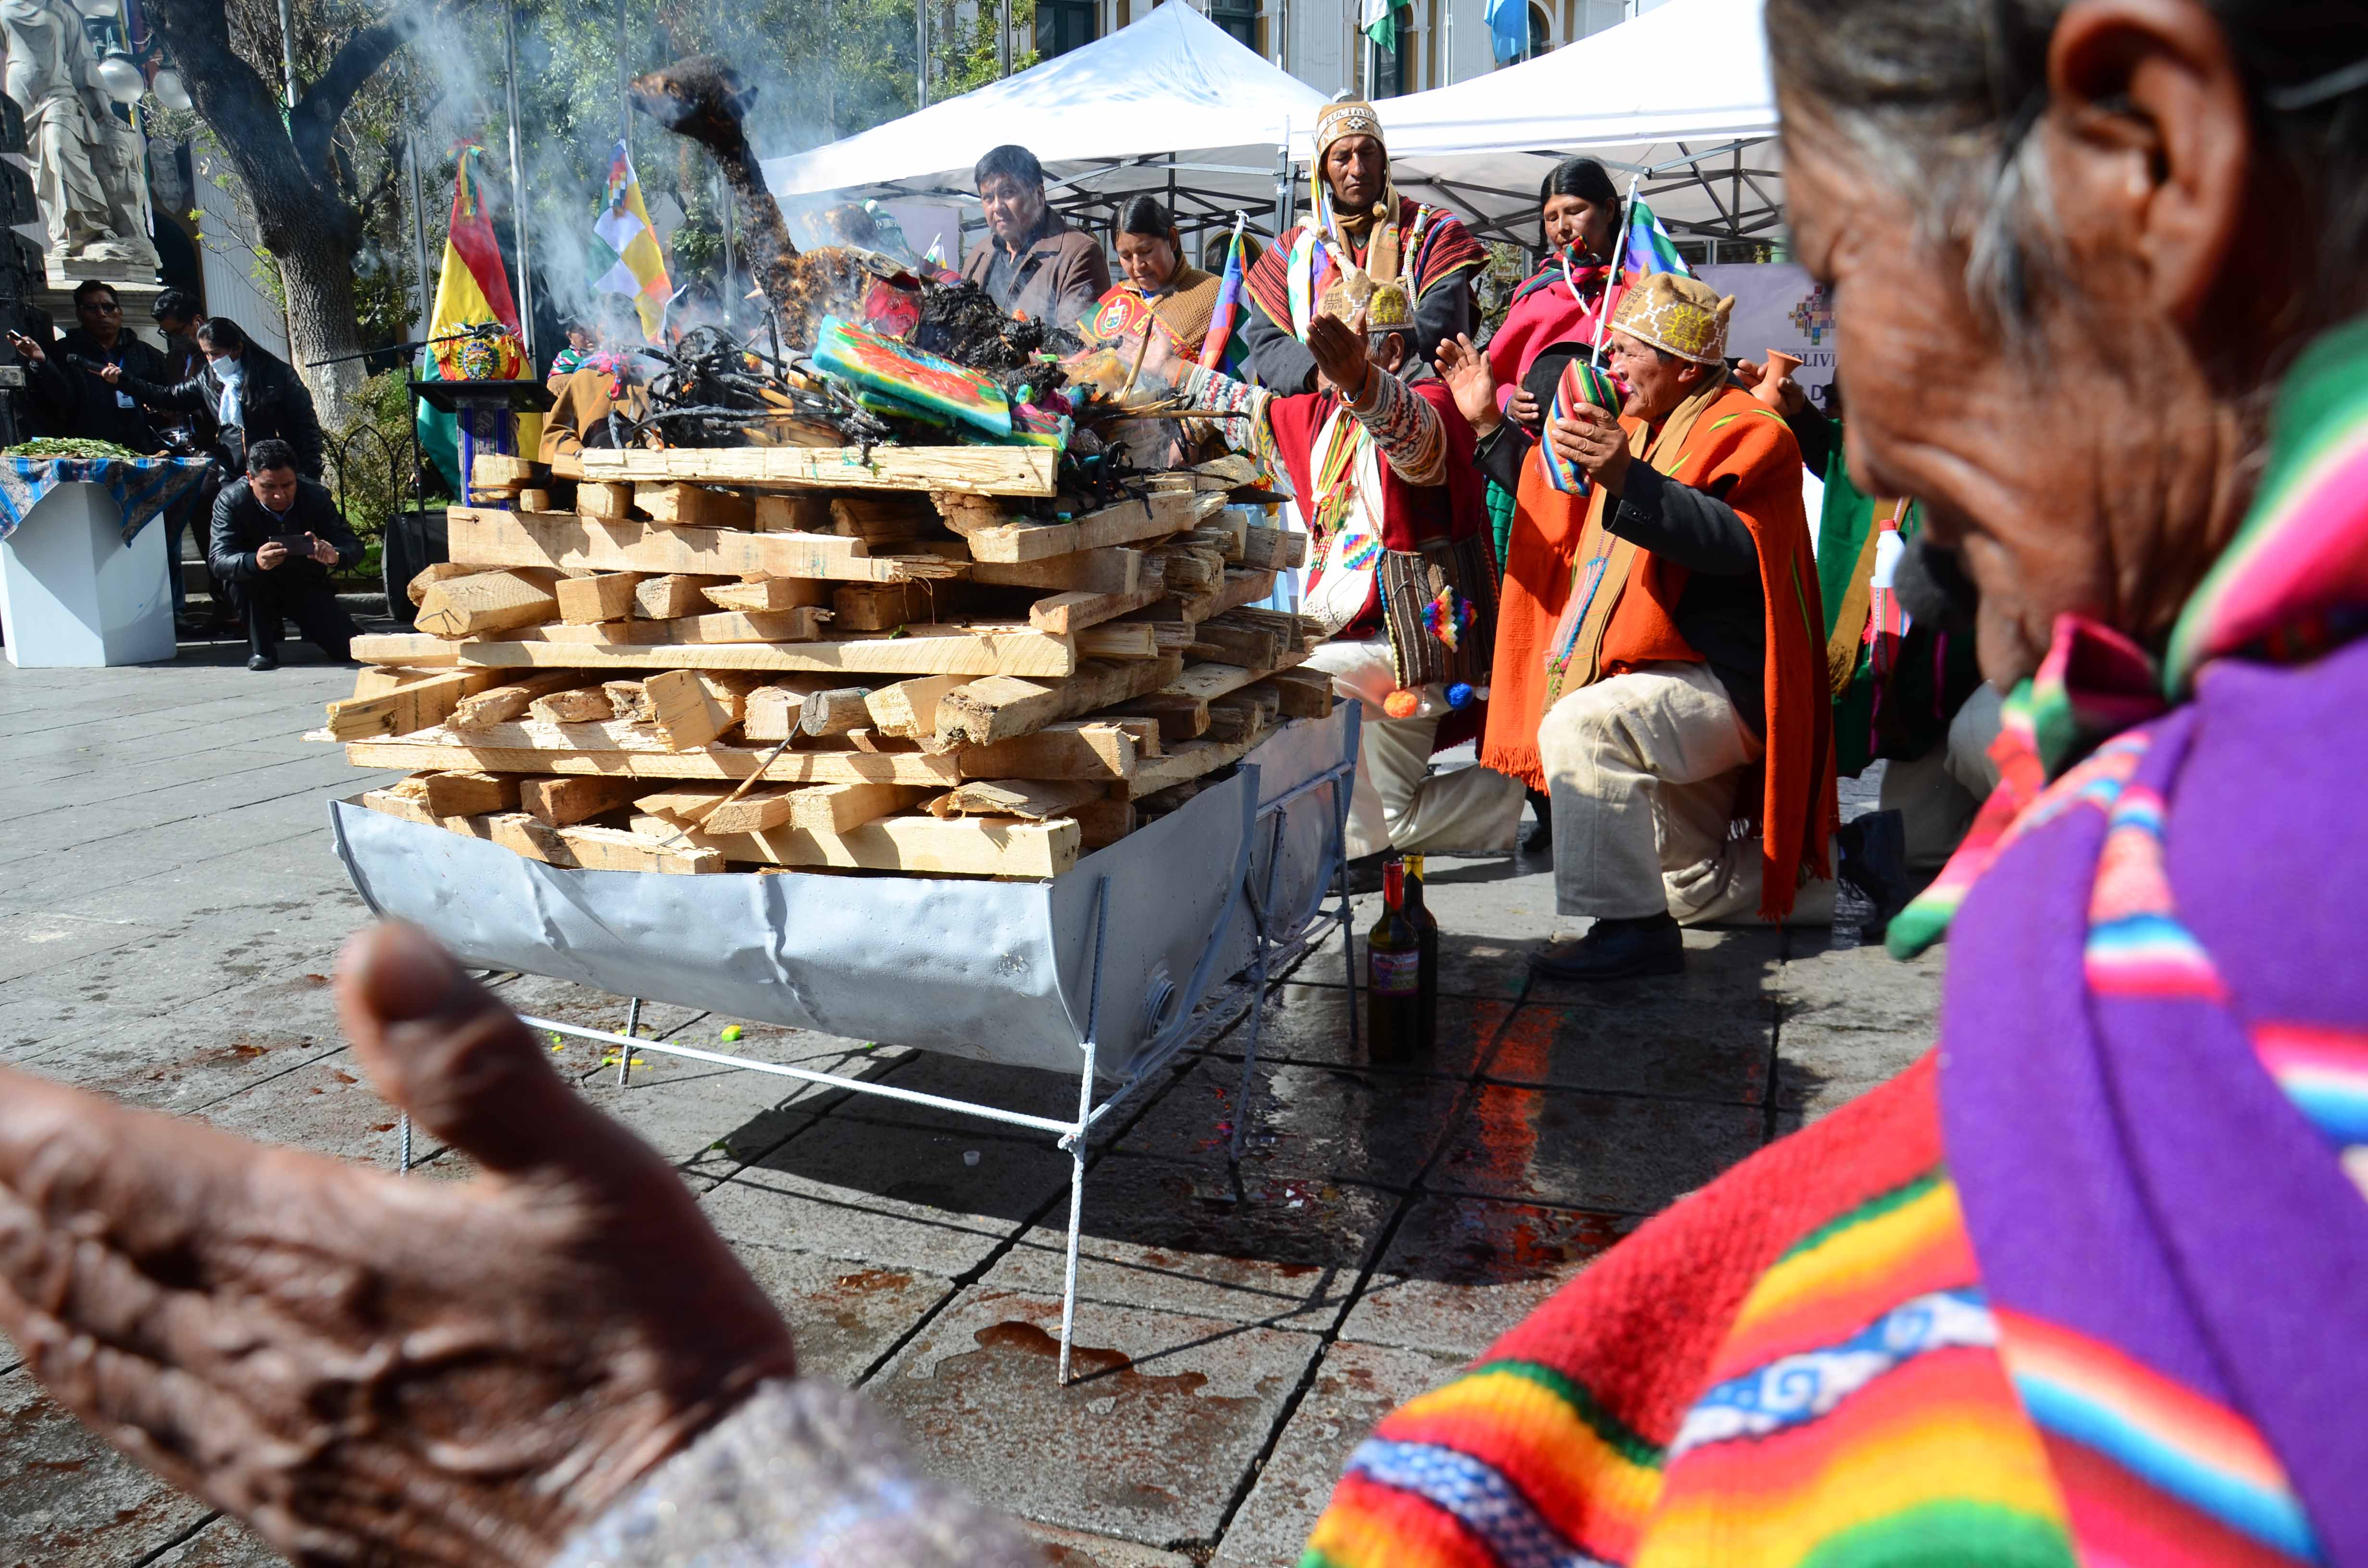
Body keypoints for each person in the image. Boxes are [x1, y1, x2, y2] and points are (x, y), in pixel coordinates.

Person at [4, 9, 2366, 1565]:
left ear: (2143, 156)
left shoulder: (2228, 983)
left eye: (1833, 267)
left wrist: (695, 1489)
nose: (1824, 360)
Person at [1505, 271, 1836, 980]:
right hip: (1664, 674)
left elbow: (1733, 545)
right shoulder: (1641, 429)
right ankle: (1849, 865)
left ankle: (1630, 934)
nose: (1612, 366)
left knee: (1582, 727)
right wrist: (1480, 429)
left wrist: (1631, 480)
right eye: (1614, 351)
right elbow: (1556, 499)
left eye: (1628, 352)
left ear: (1686, 367)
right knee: (1688, 889)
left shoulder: (1756, 431)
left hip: (1730, 685)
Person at [1179, 282, 1521, 867]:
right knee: (1396, 815)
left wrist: (1362, 383)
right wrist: (1165, 371)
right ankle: (1514, 792)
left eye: (1340, 352)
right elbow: (1247, 412)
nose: (1322, 371)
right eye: (1321, 355)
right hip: (1352, 630)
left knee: (1309, 672)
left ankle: (1356, 859)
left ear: (1389, 353)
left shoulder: (1433, 404)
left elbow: (1411, 439)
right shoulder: (1323, 415)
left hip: (1415, 639)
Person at [1239, 100, 1485, 396]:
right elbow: (1267, 339)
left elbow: (1443, 324)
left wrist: (1363, 371)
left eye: (1368, 153)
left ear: (1384, 161)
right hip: (1321, 414)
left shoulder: (1433, 231)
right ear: (1324, 172)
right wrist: (1320, 373)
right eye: (1342, 158)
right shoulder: (1292, 250)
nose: (1358, 168)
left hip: (1414, 406)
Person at [207, 437, 360, 670]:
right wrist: (255, 561)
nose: (280, 495)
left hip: (305, 583)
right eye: (269, 487)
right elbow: (219, 559)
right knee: (244, 581)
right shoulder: (231, 501)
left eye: (288, 485)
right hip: (255, 586)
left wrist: (335, 556)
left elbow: (353, 545)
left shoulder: (315, 496)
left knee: (350, 649)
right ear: (250, 479)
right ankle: (263, 649)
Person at [117, 316, 326, 479]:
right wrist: (124, 381)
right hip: (233, 471)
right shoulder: (209, 378)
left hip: (277, 471)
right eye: (206, 354)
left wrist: (309, 474)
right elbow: (170, 397)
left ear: (237, 348)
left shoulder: (278, 375)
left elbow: (306, 426)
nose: (211, 361)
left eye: (216, 354)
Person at [959, 144, 1109, 326]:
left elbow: (1081, 346)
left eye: (1008, 193)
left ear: (1039, 195)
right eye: (988, 198)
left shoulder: (1078, 253)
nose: (997, 206)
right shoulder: (980, 253)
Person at [1085, 196, 1227, 361]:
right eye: (1126, 256)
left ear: (1172, 239)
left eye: (1146, 252)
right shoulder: (1117, 300)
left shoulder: (1214, 294)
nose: (1138, 265)